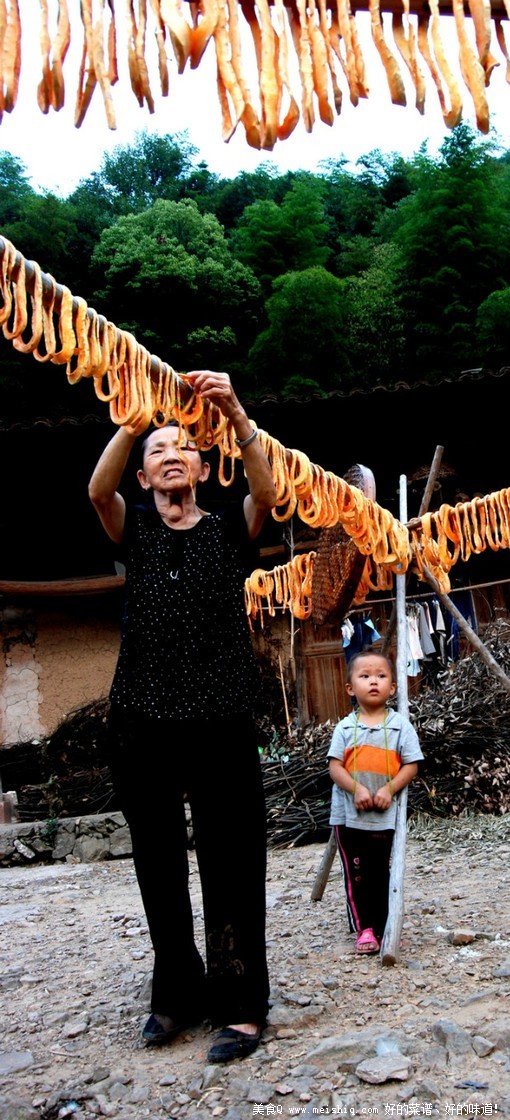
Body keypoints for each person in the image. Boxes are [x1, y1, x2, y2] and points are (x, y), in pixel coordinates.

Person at [88, 371, 278, 1064]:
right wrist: (137, 420)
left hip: (222, 716)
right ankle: (175, 993)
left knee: (233, 859)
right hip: (142, 717)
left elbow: (267, 492)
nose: (172, 454)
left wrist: (233, 410)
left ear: (202, 468)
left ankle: (242, 1004)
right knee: (158, 862)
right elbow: (95, 491)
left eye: (183, 447)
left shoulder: (230, 529)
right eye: (159, 450)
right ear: (146, 476)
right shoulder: (133, 528)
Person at [327, 651, 423, 954]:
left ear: (392, 688)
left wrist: (389, 789)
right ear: (350, 688)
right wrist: (355, 789)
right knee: (356, 874)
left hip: (384, 815)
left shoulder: (400, 727)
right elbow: (335, 767)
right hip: (349, 816)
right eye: (365, 676)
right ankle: (364, 928)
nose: (373, 682)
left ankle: (384, 925)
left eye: (381, 676)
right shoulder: (344, 728)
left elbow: (411, 765)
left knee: (382, 871)